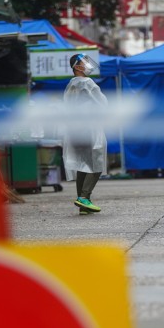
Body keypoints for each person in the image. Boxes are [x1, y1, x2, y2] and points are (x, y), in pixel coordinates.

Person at [62, 53, 108, 215]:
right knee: (97, 161)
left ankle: (82, 203)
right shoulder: (87, 83)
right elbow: (103, 103)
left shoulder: (71, 84)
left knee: (83, 163)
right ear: (77, 66)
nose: (88, 65)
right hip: (89, 127)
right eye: (84, 62)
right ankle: (84, 197)